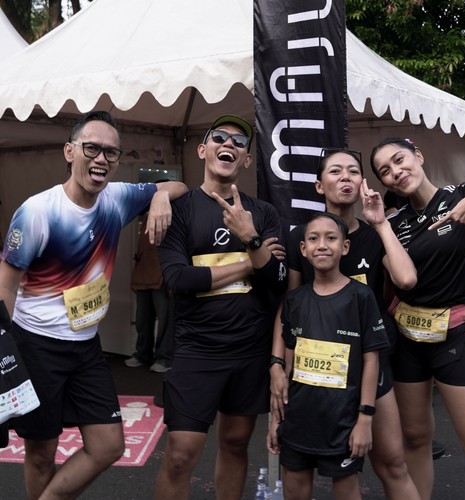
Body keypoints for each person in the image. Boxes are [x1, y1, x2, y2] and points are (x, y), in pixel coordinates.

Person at [0, 110, 188, 500]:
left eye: (111, 152)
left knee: (108, 444)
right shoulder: (37, 212)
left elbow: (180, 185)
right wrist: (6, 359)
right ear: (70, 151)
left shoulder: (117, 198)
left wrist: (158, 197)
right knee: (41, 454)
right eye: (91, 148)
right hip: (36, 345)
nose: (101, 158)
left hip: (86, 346)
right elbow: (6, 289)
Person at [269, 148, 420, 500]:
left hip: (369, 364)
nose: (345, 177)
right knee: (301, 467)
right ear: (319, 185)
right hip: (314, 372)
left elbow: (406, 279)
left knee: (392, 463)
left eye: (353, 171)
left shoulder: (375, 234)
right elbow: (288, 305)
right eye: (335, 171)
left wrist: (380, 224)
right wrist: (276, 363)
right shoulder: (302, 237)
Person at [154, 115, 288, 499]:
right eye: (219, 137)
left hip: (249, 350)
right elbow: (178, 280)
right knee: (180, 455)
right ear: (203, 150)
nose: (229, 144)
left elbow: (278, 280)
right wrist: (252, 259)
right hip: (196, 349)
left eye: (239, 142)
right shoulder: (180, 209)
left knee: (235, 444)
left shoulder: (263, 213)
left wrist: (250, 235)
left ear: (246, 159)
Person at [370, 136, 465, 500]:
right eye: (385, 171)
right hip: (407, 340)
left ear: (418, 156)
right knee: (415, 438)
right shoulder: (394, 223)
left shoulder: (460, 195)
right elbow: (400, 279)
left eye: (399, 160)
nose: (396, 172)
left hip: (455, 335)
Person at [267, 212, 390, 500]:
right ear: (303, 249)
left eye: (331, 238)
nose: (322, 245)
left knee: (346, 490)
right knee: (294, 490)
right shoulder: (295, 301)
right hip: (298, 421)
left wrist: (365, 419)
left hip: (343, 422)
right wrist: (276, 421)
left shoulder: (361, 296)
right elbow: (289, 365)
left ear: (344, 247)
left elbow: (371, 359)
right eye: (313, 239)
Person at [125, 211, 173, 373]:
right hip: (144, 271)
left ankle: (164, 357)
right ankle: (142, 354)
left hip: (163, 274)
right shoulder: (146, 217)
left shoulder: (172, 215)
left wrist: (173, 277)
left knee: (165, 320)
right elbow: (141, 249)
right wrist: (135, 273)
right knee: (142, 319)